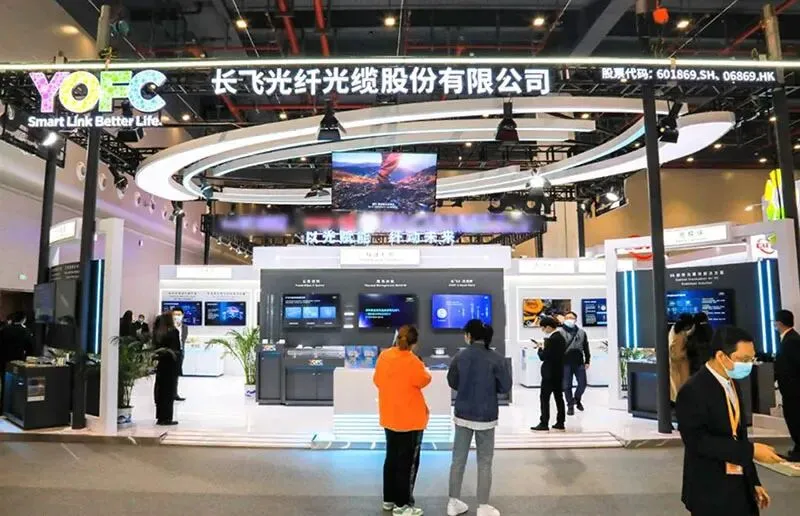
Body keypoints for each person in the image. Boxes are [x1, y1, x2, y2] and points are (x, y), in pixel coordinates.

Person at [676, 326, 782, 516]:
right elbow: (698, 442)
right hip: (710, 491)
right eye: (743, 359)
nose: (748, 365)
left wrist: (753, 481)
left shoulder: (732, 383)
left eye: (751, 359)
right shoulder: (693, 390)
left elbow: (739, 435)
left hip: (739, 486)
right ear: (721, 356)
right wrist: (751, 451)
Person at [447, 320, 512, 516]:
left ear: (469, 336)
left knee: (458, 460)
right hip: (486, 415)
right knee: (484, 462)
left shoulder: (460, 356)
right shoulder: (497, 358)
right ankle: (483, 506)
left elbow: (452, 381)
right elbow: (505, 386)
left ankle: (453, 502)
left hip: (462, 413)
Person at [373, 325, 431, 516]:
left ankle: (389, 500)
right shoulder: (413, 361)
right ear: (415, 343)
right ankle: (402, 505)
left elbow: (377, 380)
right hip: (410, 420)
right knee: (406, 463)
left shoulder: (384, 356)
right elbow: (425, 380)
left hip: (389, 416)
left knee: (391, 458)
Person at [531, 316, 566, 432]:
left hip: (548, 374)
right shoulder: (561, 338)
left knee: (544, 398)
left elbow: (543, 357)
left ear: (549, 327)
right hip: (558, 372)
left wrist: (540, 349)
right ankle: (560, 422)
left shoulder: (551, 340)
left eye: (543, 327)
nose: (543, 330)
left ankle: (544, 422)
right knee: (559, 397)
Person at [774, 309, 800, 462]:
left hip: (794, 390)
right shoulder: (789, 339)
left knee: (795, 419)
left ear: (779, 323)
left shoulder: (792, 341)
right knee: (793, 418)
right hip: (791, 390)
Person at [152, 313, 181, 426]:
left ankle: (160, 417)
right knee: (169, 392)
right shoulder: (173, 332)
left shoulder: (158, 333)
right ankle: (167, 418)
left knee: (161, 391)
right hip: (170, 365)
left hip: (161, 364)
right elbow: (176, 349)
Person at [560, 311, 591, 416]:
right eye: (567, 317)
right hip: (565, 363)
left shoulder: (582, 332)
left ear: (576, 320)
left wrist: (587, 360)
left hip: (579, 362)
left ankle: (576, 399)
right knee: (566, 385)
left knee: (583, 383)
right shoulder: (560, 333)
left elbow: (586, 347)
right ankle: (570, 405)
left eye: (571, 318)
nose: (569, 319)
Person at [669, 313, 695, 403]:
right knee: (680, 387)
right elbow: (677, 354)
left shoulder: (675, 330)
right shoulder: (679, 336)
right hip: (679, 366)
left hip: (676, 365)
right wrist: (686, 352)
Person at [171, 307, 188, 401]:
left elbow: (183, 339)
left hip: (180, 352)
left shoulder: (185, 327)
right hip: (170, 352)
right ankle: (168, 393)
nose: (177, 316)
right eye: (175, 314)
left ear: (182, 315)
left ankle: (174, 393)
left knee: (176, 374)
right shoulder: (169, 326)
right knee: (169, 374)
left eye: (179, 314)